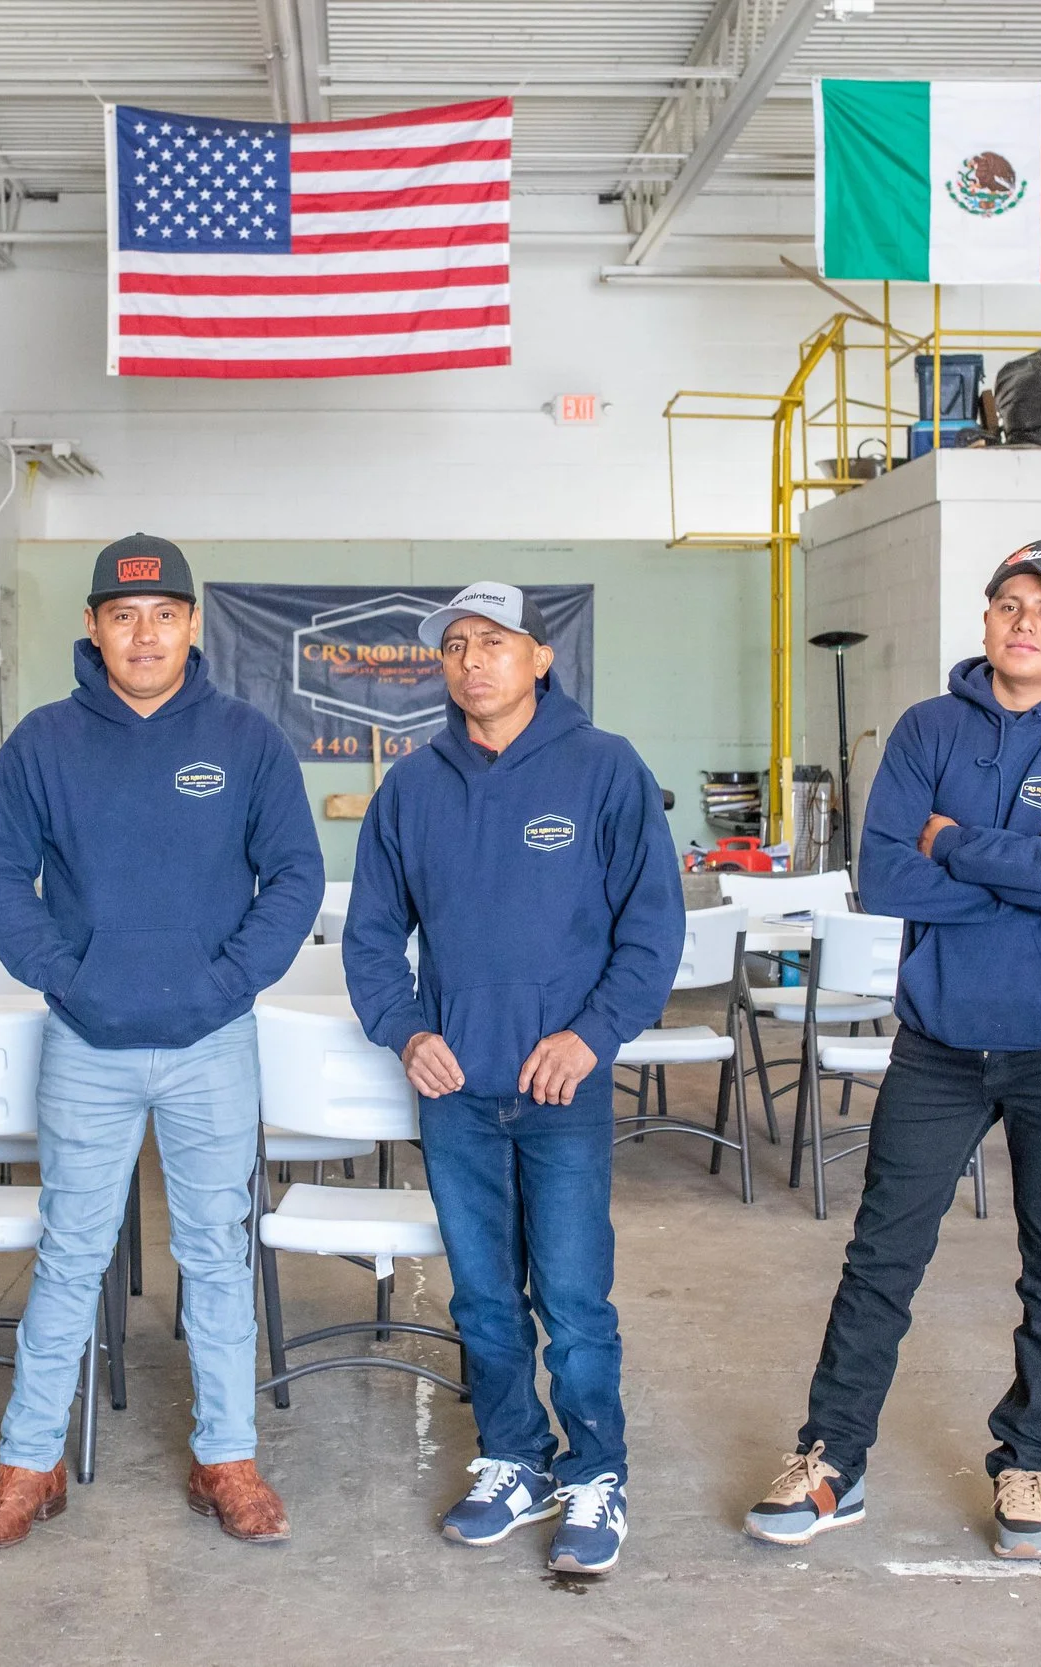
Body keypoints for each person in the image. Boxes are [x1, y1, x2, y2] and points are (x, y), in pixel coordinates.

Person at [744, 539, 1041, 1562]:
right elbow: (883, 879)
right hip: (937, 1040)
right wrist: (1026, 864)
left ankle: (1031, 1461)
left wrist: (951, 841)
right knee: (882, 1255)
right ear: (985, 622)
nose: (1025, 621)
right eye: (1008, 603)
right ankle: (830, 1455)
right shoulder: (929, 728)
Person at [0, 534, 323, 1550]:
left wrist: (228, 977)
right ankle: (28, 1464)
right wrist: (60, 971)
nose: (145, 631)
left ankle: (228, 1457)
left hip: (212, 1041)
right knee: (70, 1253)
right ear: (93, 626)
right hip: (85, 1041)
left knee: (216, 1253)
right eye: (124, 615)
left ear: (193, 624)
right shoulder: (42, 742)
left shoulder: (247, 738)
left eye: (164, 612)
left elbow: (294, 873)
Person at [343, 581, 682, 1577]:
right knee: (485, 1299)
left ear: (540, 657)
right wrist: (406, 1030)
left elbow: (650, 928)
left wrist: (592, 1034)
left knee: (574, 1297)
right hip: (456, 1093)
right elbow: (370, 936)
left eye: (495, 640)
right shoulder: (410, 786)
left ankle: (595, 1468)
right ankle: (511, 1455)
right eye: (455, 644)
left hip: (560, 1092)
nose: (473, 658)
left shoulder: (604, 770)